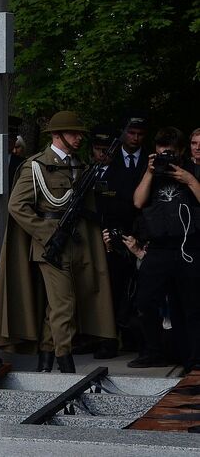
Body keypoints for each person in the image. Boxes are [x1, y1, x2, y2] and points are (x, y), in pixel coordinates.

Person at [0, 110, 116, 373]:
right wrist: (47, 232)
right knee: (64, 305)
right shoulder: (35, 166)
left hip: (76, 244)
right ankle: (65, 363)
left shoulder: (79, 166)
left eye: (79, 133)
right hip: (50, 247)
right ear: (57, 135)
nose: (79, 138)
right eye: (73, 133)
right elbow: (17, 206)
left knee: (56, 306)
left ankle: (45, 361)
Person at [129, 127, 200, 370]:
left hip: (189, 247)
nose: (166, 157)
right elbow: (138, 201)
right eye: (161, 153)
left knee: (191, 305)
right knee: (145, 301)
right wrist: (150, 171)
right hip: (158, 247)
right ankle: (153, 351)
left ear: (181, 151)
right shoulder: (151, 171)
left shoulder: (192, 170)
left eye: (170, 153)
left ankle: (194, 359)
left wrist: (189, 179)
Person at [90, 125, 137, 359]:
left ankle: (112, 339)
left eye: (106, 149)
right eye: (98, 149)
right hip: (91, 238)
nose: (102, 154)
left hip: (115, 240)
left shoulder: (124, 174)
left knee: (114, 292)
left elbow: (128, 207)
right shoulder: (88, 172)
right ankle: (94, 337)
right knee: (93, 291)